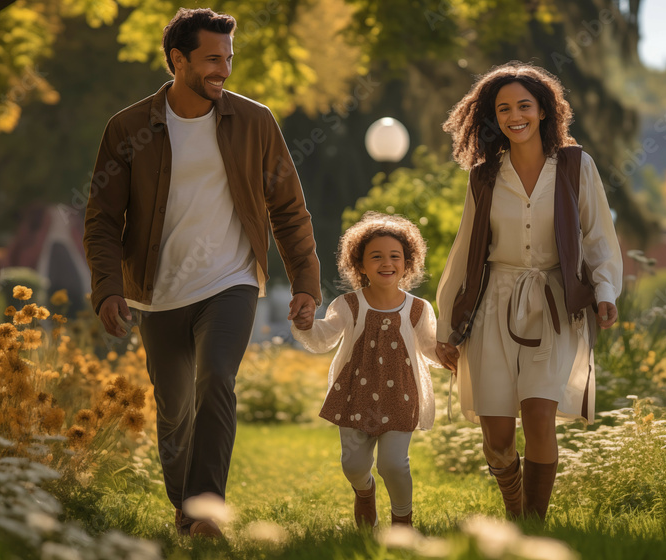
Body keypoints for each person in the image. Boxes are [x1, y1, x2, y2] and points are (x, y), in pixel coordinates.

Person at [82, 8, 321, 538]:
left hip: (230, 281)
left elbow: (288, 208)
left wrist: (305, 282)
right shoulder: (128, 128)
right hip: (157, 291)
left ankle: (206, 511)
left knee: (216, 377)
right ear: (178, 60)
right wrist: (108, 288)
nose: (224, 70)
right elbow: (102, 220)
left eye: (228, 59)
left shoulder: (254, 122)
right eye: (212, 59)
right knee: (174, 411)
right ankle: (185, 509)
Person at [435, 62, 622, 519]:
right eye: (504, 109)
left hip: (554, 302)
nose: (514, 116)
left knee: (540, 416)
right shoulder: (483, 176)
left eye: (524, 106)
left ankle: (533, 524)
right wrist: (446, 327)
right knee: (497, 439)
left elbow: (599, 236)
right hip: (493, 305)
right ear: (493, 117)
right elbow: (464, 250)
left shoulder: (576, 165)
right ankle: (515, 512)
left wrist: (605, 292)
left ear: (543, 111)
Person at [291, 212, 439, 529]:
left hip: (401, 397)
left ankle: (402, 520)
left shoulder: (418, 308)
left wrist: (452, 353)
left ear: (407, 263)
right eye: (376, 256)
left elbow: (431, 347)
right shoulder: (349, 305)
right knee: (354, 464)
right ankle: (364, 490)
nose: (387, 263)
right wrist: (306, 325)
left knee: (394, 465)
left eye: (395, 256)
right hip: (354, 395)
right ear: (360, 265)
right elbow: (324, 337)